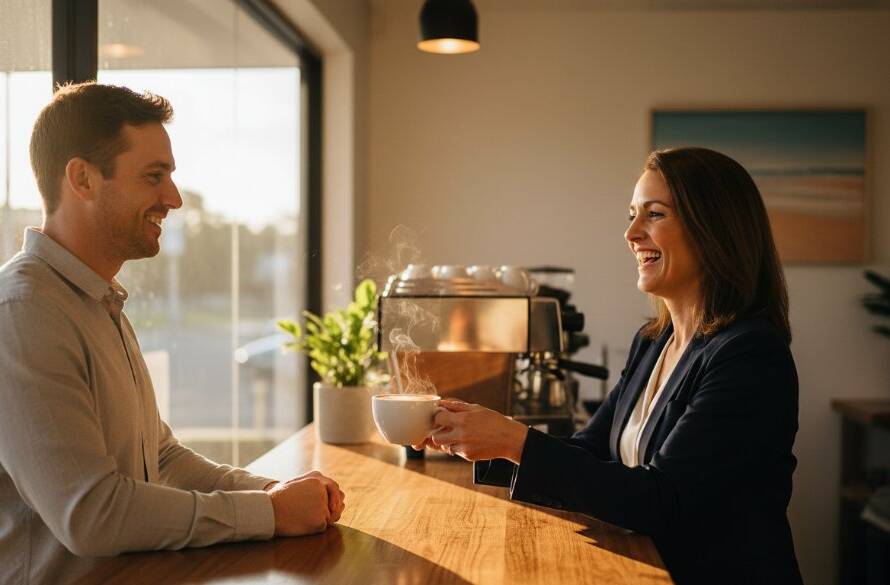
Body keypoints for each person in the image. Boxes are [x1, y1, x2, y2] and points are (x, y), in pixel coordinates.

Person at [0, 82, 344, 585]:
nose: (174, 198)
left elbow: (159, 457)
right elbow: (92, 515)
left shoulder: (99, 300)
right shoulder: (24, 311)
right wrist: (268, 514)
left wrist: (275, 491)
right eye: (153, 177)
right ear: (83, 179)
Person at [417, 147, 803, 585]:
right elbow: (593, 451)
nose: (631, 233)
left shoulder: (749, 355)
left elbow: (661, 499)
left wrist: (514, 440)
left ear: (713, 230)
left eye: (654, 215)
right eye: (632, 214)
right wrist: (484, 439)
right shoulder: (654, 343)